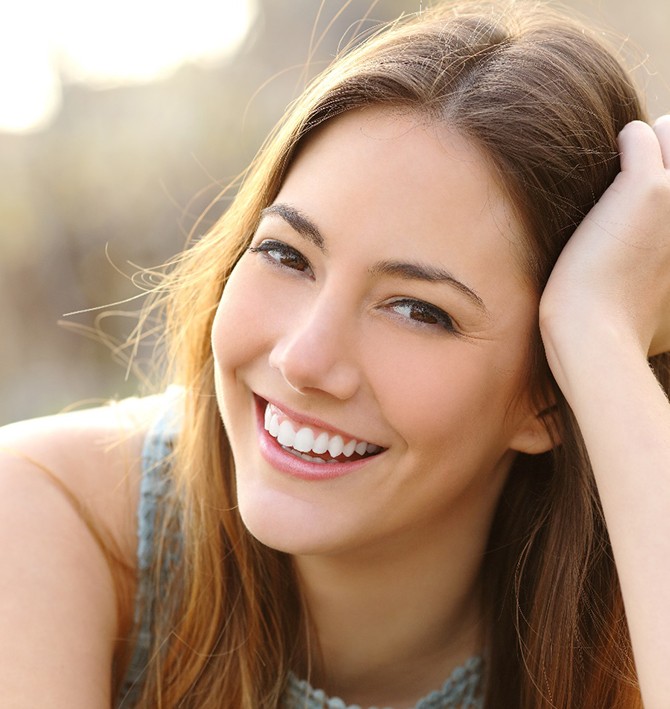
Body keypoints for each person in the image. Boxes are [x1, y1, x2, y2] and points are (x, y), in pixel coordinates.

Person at [1, 1, 670, 707]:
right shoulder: (47, 515)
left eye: (418, 309)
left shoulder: (631, 609)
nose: (304, 358)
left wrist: (598, 335)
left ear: (548, 397)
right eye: (287, 255)